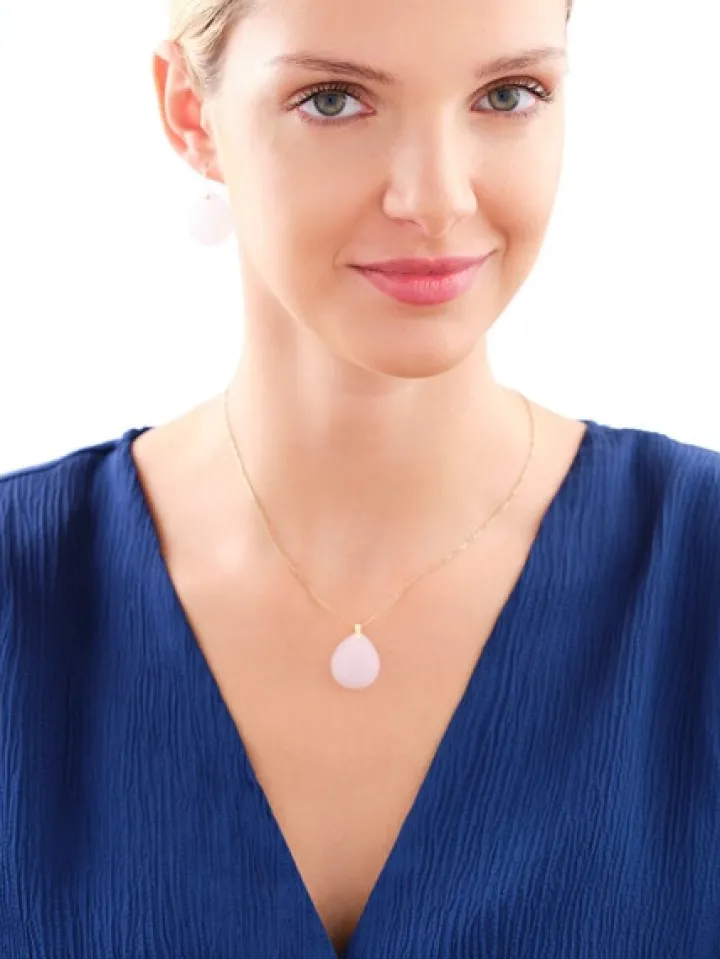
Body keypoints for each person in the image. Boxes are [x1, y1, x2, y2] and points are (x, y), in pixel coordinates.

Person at [1, 0, 719, 954]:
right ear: (190, 114)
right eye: (334, 99)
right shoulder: (21, 586)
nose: (437, 198)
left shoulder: (699, 567)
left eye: (509, 94)